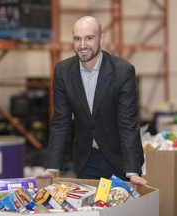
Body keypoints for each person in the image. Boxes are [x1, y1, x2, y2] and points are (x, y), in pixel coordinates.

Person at [37, 16, 148, 185]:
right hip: (86, 158)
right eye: (77, 39)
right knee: (89, 209)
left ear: (101, 39)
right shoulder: (63, 71)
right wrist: (52, 167)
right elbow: (61, 121)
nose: (82, 45)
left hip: (119, 159)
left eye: (89, 38)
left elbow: (128, 123)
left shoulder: (122, 72)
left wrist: (132, 170)